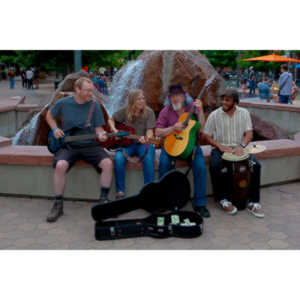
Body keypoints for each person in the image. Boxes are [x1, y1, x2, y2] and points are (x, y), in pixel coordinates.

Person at [45, 77, 113, 222]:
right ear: (77, 90)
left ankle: (103, 200)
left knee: (107, 163)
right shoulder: (63, 103)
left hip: (90, 145)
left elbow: (99, 128)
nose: (91, 93)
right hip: (68, 146)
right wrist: (55, 128)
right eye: (87, 90)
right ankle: (58, 205)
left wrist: (101, 135)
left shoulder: (94, 106)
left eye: (92, 90)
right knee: (60, 165)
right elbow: (49, 115)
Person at [203, 88, 264, 218]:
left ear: (235, 103)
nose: (223, 102)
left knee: (256, 166)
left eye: (227, 100)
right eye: (223, 99)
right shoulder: (214, 115)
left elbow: (249, 133)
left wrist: (241, 146)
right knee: (215, 166)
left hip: (239, 148)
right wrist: (219, 145)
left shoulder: (244, 113)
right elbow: (206, 135)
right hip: (220, 148)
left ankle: (254, 202)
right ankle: (223, 199)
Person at [155, 84, 210, 218]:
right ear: (169, 98)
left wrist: (201, 110)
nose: (175, 99)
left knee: (200, 167)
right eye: (172, 96)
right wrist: (173, 128)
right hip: (171, 145)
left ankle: (200, 204)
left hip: (191, 146)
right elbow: (157, 131)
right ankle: (164, 201)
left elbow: (202, 129)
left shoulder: (193, 109)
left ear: (184, 97)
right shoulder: (166, 111)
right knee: (163, 165)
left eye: (178, 95)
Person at [108, 89, 156, 199]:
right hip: (127, 144)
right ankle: (120, 192)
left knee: (148, 158)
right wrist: (114, 130)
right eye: (139, 99)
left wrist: (147, 138)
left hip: (142, 144)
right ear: (132, 100)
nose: (142, 101)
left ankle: (149, 192)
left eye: (143, 98)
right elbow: (111, 119)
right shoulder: (124, 111)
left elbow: (150, 131)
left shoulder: (149, 112)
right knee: (118, 159)